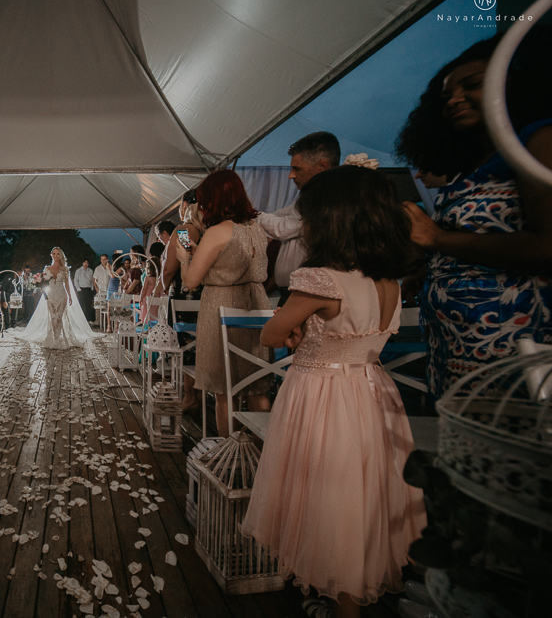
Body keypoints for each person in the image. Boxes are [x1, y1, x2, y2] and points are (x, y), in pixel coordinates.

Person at [241, 166, 427, 618]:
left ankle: (341, 602)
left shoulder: (320, 279)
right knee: (362, 495)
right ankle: (353, 595)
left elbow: (270, 334)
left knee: (328, 494)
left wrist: (296, 323)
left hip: (323, 395)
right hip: (372, 394)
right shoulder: (387, 281)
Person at [396, 34, 552, 402]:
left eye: (473, 85)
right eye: (446, 95)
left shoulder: (538, 141)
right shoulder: (475, 163)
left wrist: (438, 239)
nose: (454, 100)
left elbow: (548, 245)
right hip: (460, 350)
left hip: (515, 348)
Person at [182, 169, 269, 436]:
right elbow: (235, 261)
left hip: (222, 305)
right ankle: (261, 450)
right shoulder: (257, 228)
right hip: (256, 304)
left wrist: (184, 257)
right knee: (256, 384)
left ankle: (229, 457)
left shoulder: (218, 231)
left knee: (224, 388)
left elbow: (191, 281)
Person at [257, 131, 341, 304]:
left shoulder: (328, 200)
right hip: (293, 291)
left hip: (308, 294)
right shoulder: (308, 198)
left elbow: (283, 228)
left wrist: (249, 214)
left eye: (297, 169)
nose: (291, 175)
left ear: (322, 166)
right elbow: (281, 215)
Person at [163, 187, 205, 411]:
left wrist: (163, 285)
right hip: (207, 293)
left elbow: (172, 266)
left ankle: (191, 396)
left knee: (188, 342)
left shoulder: (183, 231)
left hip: (187, 293)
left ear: (186, 206)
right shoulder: (212, 230)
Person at [19, 248, 99, 349]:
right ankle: (54, 338)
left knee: (59, 316)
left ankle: (58, 338)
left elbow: (67, 284)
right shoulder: (47, 269)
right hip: (51, 294)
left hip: (61, 294)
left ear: (60, 255)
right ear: (51, 255)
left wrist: (70, 296)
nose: (56, 256)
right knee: (52, 316)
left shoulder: (65, 269)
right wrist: (42, 289)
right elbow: (44, 282)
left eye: (58, 254)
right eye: (54, 254)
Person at [139, 242, 166, 324]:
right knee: (156, 312)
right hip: (158, 296)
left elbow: (144, 289)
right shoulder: (159, 278)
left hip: (148, 297)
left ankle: (148, 327)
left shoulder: (148, 278)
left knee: (147, 312)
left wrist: (141, 298)